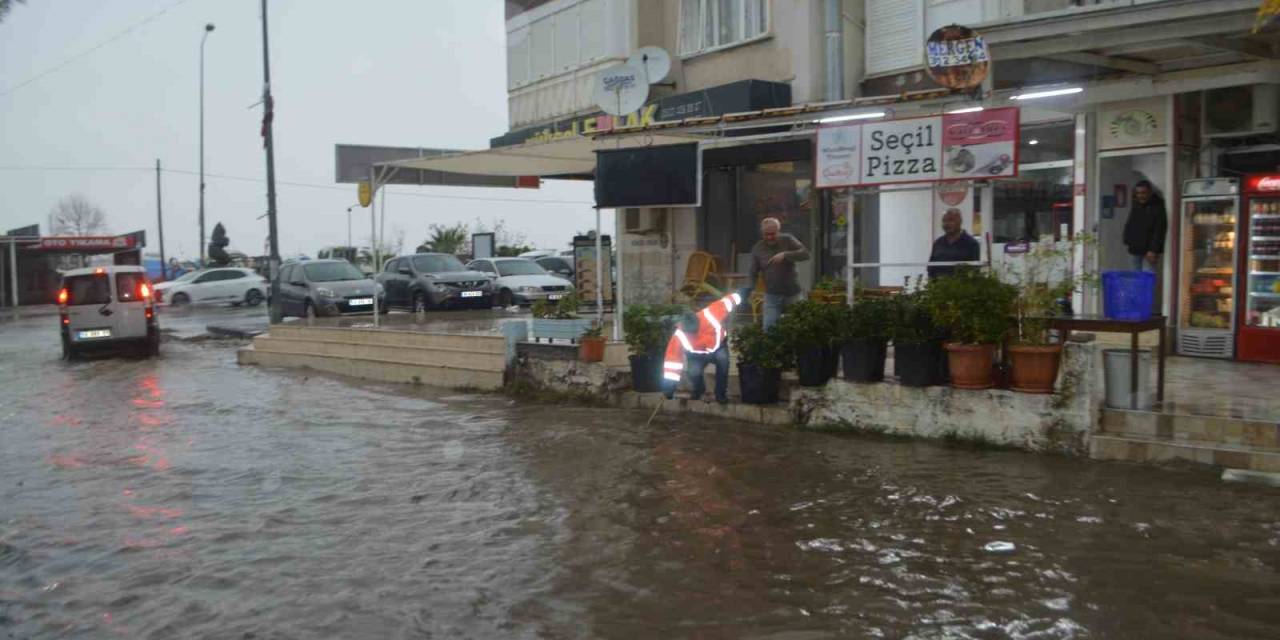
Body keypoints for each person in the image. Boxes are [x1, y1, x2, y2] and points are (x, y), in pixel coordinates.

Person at [661, 291, 745, 404]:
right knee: (694, 372)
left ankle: (720, 394)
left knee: (723, 362)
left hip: (718, 347)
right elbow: (672, 361)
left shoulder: (710, 314)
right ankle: (698, 391)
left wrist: (741, 293)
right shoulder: (679, 334)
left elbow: (726, 302)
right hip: (695, 355)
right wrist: (669, 387)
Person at [747, 217, 810, 330]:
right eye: (767, 234)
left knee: (802, 327)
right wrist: (752, 289)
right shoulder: (758, 248)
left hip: (793, 293)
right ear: (762, 233)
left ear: (778, 231)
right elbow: (753, 271)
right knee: (769, 328)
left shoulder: (787, 240)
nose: (770, 237)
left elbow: (805, 254)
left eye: (773, 234)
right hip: (772, 295)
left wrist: (786, 255)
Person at [1123, 179, 1167, 273]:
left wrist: (1153, 250)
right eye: (1138, 193)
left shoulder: (1158, 206)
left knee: (1147, 277)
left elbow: (1159, 229)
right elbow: (1131, 222)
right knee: (1135, 277)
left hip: (1149, 250)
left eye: (1143, 193)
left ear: (1150, 192)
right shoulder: (1136, 204)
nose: (1140, 196)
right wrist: (1127, 239)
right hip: (1134, 247)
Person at [927, 208, 981, 278]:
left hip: (962, 287)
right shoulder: (938, 243)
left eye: (951, 220)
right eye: (944, 221)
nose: (946, 224)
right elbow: (931, 267)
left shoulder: (971, 243)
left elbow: (975, 270)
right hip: (939, 287)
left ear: (960, 222)